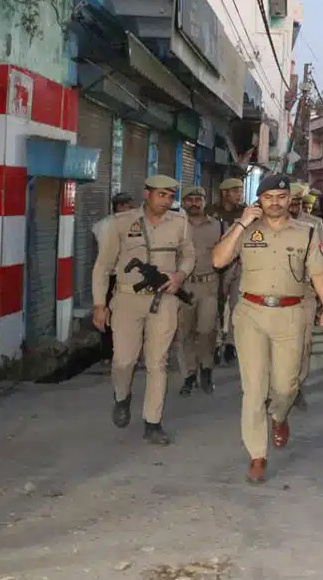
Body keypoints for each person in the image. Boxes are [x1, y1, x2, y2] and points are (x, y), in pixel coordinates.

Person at [211, 173, 323, 483]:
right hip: (251, 313)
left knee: (285, 385)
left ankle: (279, 416)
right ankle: (257, 454)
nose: (275, 203)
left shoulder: (307, 232)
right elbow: (217, 260)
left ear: (290, 200)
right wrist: (240, 223)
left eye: (281, 197)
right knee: (253, 389)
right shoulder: (246, 229)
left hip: (290, 314)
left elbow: (319, 272)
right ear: (260, 200)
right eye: (268, 197)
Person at [92, 175, 196, 445]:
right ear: (147, 194)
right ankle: (122, 396)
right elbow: (103, 266)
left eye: (171, 196)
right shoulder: (121, 223)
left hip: (165, 301)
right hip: (127, 301)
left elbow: (189, 255)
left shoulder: (180, 223)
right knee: (123, 361)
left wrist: (180, 276)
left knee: (157, 363)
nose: (166, 201)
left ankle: (153, 423)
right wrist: (99, 305)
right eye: (161, 195)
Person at [177, 186, 224, 397]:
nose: (194, 203)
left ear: (205, 201)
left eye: (198, 199)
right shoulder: (175, 226)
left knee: (206, 331)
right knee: (185, 333)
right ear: (184, 202)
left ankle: (206, 370)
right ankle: (189, 375)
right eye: (190, 199)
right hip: (182, 286)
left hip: (208, 286)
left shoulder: (219, 227)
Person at [288, 182, 323, 410]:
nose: (293, 206)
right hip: (277, 293)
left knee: (303, 344)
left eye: (297, 202)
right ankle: (274, 388)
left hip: (305, 293)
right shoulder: (267, 223)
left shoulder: (315, 224)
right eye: (290, 201)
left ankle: (296, 388)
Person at [92, 192, 136, 363]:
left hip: (125, 277)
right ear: (117, 207)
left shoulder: (103, 225)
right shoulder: (105, 225)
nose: (128, 209)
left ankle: (119, 353)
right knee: (108, 314)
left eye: (130, 206)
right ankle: (110, 354)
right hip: (112, 277)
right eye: (124, 205)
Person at [209, 178, 246, 367]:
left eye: (241, 190)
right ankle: (216, 343)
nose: (240, 194)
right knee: (217, 303)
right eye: (235, 191)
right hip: (217, 264)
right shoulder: (211, 212)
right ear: (225, 193)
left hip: (239, 265)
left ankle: (231, 343)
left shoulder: (246, 212)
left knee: (236, 305)